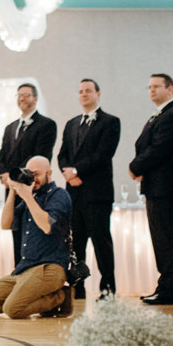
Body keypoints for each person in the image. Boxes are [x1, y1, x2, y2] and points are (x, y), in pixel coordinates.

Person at [0, 156, 73, 319]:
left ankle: (60, 298)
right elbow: (6, 224)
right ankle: (38, 297)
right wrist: (13, 192)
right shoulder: (31, 197)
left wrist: (27, 196)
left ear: (49, 173)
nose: (32, 179)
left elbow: (47, 226)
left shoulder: (59, 195)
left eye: (36, 174)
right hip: (25, 268)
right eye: (29, 174)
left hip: (50, 267)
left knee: (12, 309)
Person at [58, 78, 119, 300]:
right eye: (80, 91)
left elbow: (103, 155)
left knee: (101, 243)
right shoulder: (71, 123)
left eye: (88, 91)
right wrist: (67, 172)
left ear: (98, 94)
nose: (84, 94)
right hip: (73, 194)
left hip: (97, 193)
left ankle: (108, 288)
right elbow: (62, 154)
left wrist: (76, 172)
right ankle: (78, 286)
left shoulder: (111, 122)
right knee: (75, 244)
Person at [129, 74, 173, 305]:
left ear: (170, 88)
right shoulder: (160, 115)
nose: (151, 90)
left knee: (168, 240)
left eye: (156, 86)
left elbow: (159, 149)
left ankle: (170, 290)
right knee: (161, 240)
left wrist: (136, 166)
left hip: (167, 189)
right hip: (156, 187)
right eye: (149, 87)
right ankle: (164, 286)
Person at [0, 82, 57, 265]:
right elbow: (1, 156)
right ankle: (18, 273)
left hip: (33, 189)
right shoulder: (10, 127)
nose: (22, 98)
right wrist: (4, 174)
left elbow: (39, 157)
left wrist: (15, 177)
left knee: (32, 234)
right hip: (12, 191)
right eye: (19, 95)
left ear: (35, 98)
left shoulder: (46, 125)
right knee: (15, 233)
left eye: (27, 95)